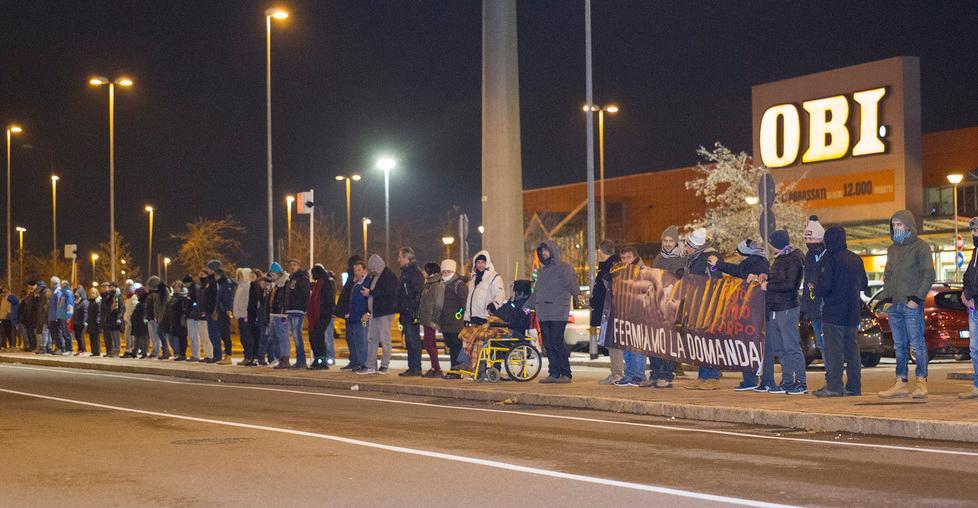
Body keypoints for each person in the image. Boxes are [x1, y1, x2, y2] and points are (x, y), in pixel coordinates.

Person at [877, 210, 935, 399]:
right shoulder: (892, 249)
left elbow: (928, 274)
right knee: (899, 345)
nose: (896, 228)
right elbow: (888, 276)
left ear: (908, 226)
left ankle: (921, 381)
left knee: (916, 344)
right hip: (895, 305)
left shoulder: (921, 247)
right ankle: (901, 382)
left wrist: (916, 299)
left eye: (899, 225)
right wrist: (885, 299)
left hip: (911, 304)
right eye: (893, 225)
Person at [813, 226, 869, 397]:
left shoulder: (829, 259)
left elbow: (825, 286)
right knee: (852, 350)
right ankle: (854, 386)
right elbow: (864, 284)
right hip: (852, 312)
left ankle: (834, 386)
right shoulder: (855, 259)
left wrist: (815, 288)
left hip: (833, 312)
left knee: (834, 350)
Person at [709, 238, 769, 390]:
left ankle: (751, 380)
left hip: (751, 312)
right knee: (748, 343)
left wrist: (719, 264)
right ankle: (750, 379)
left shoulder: (755, 262)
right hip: (751, 311)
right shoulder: (759, 261)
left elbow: (738, 271)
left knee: (749, 343)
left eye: (739, 253)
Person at [759, 230, 807, 395]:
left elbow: (790, 285)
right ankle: (787, 381)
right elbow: (780, 279)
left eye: (771, 242)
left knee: (791, 345)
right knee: (780, 347)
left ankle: (800, 382)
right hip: (776, 307)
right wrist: (767, 278)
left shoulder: (792, 259)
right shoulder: (781, 258)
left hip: (787, 307)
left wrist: (768, 286)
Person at [525, 240, 579, 384]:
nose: (543, 253)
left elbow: (571, 284)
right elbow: (537, 292)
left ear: (553, 251)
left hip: (558, 311)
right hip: (543, 312)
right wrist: (527, 305)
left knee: (556, 342)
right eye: (541, 251)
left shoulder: (564, 268)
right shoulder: (542, 272)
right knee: (548, 344)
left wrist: (578, 294)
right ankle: (554, 373)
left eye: (546, 250)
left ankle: (566, 373)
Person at [682, 228, 725, 390]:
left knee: (710, 341)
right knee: (699, 341)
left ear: (693, 246)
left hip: (708, 305)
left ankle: (713, 376)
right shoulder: (693, 258)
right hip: (695, 304)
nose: (685, 248)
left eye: (687, 245)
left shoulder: (710, 258)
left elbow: (715, 281)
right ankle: (702, 376)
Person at [646, 225, 685, 388]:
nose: (668, 244)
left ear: (676, 242)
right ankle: (655, 373)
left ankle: (667, 374)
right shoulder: (658, 258)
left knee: (669, 342)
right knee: (653, 340)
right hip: (657, 304)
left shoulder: (683, 258)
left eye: (671, 241)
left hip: (673, 306)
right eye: (665, 241)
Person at [614, 246, 649, 387]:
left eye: (628, 257)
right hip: (624, 314)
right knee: (626, 348)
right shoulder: (620, 272)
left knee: (638, 346)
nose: (625, 260)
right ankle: (628, 374)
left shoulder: (644, 271)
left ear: (635, 257)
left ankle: (639, 375)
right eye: (623, 258)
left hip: (640, 314)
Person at [357, 254, 397, 375]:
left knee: (385, 339)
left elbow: (388, 293)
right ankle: (371, 365)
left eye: (373, 268)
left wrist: (371, 292)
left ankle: (384, 365)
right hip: (375, 312)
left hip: (384, 312)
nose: (372, 271)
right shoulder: (376, 276)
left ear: (377, 267)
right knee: (372, 339)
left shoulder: (388, 276)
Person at [591, 240, 622, 385]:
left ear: (600, 251)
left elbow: (608, 289)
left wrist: (595, 300)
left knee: (613, 342)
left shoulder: (613, 266)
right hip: (605, 309)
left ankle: (618, 373)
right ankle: (615, 372)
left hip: (611, 309)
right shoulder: (606, 266)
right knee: (609, 342)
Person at [395, 247, 426, 376]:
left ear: (407, 258)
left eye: (400, 257)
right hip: (406, 311)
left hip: (411, 312)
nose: (398, 259)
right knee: (409, 340)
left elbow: (418, 293)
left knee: (413, 340)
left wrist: (414, 310)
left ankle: (416, 367)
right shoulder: (406, 272)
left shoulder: (413, 273)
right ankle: (412, 367)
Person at [437, 259, 468, 379]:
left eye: (448, 271)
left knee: (456, 345)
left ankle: (456, 370)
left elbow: (463, 303)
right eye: (443, 271)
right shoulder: (442, 284)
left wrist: (459, 314)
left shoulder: (459, 285)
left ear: (453, 271)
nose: (445, 274)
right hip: (445, 321)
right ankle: (454, 368)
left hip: (455, 321)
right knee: (450, 344)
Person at [801, 216, 827, 355]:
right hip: (815, 307)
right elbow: (807, 283)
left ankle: (834, 375)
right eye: (806, 239)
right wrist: (805, 309)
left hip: (827, 307)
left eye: (811, 239)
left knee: (829, 345)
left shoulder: (829, 255)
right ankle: (830, 374)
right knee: (822, 345)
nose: (808, 242)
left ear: (820, 238)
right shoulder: (810, 256)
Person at [334, 255, 364, 369]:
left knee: (356, 337)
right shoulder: (351, 278)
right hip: (349, 313)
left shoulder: (358, 280)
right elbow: (345, 295)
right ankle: (354, 360)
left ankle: (358, 361)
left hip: (355, 313)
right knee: (350, 337)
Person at [960, 217, 978, 400]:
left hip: (975, 303)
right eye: (972, 231)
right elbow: (968, 275)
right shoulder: (975, 252)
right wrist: (966, 293)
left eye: (976, 231)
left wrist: (971, 293)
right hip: (974, 308)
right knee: (974, 349)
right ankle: (976, 385)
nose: (973, 234)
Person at [307, 264, 336, 370]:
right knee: (313, 337)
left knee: (318, 337)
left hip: (323, 315)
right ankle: (317, 358)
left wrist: (324, 311)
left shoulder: (326, 283)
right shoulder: (317, 284)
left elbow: (329, 299)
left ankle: (322, 360)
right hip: (316, 315)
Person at [417, 262, 444, 377]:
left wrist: (435, 320)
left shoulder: (436, 284)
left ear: (430, 271)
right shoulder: (429, 283)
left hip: (431, 319)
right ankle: (435, 367)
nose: (423, 272)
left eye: (425, 270)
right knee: (430, 343)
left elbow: (438, 303)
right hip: (427, 318)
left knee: (429, 343)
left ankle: (436, 368)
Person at [283, 259, 310, 369]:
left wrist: (305, 309)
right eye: (291, 265)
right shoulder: (291, 279)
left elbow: (306, 293)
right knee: (294, 336)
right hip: (291, 310)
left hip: (298, 310)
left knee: (297, 336)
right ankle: (299, 360)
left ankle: (301, 361)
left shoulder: (302, 278)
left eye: (294, 265)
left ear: (299, 266)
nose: (292, 267)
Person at [344, 260, 370, 372]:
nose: (357, 273)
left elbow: (369, 300)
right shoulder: (356, 284)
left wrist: (368, 313)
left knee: (362, 342)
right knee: (357, 341)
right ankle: (359, 363)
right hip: (354, 317)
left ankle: (365, 364)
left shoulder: (367, 284)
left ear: (365, 270)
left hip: (362, 318)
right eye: (355, 271)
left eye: (359, 270)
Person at [268, 262, 293, 369]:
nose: (273, 276)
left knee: (283, 337)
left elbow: (287, 298)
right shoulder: (277, 284)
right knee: (275, 337)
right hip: (275, 313)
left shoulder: (286, 282)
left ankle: (285, 358)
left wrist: (284, 312)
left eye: (274, 274)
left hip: (281, 314)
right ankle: (279, 358)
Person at [233, 268, 256, 365]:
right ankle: (246, 356)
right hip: (240, 316)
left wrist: (245, 313)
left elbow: (247, 301)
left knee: (247, 337)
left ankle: (249, 356)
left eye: (242, 275)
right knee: (243, 337)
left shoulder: (247, 286)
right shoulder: (240, 286)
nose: (240, 277)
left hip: (245, 315)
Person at [145, 276, 171, 359]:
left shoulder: (165, 291)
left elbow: (165, 305)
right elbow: (155, 306)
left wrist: (163, 316)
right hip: (158, 316)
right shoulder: (157, 293)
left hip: (164, 316)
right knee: (160, 333)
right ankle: (166, 351)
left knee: (161, 333)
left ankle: (166, 351)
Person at [166, 281, 192, 361]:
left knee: (182, 337)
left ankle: (182, 354)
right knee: (179, 337)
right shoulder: (174, 297)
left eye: (177, 287)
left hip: (181, 320)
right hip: (175, 320)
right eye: (174, 287)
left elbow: (185, 308)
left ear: (181, 288)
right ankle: (179, 354)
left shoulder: (184, 297)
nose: (175, 289)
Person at [131, 287, 150, 358]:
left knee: (143, 338)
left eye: (137, 294)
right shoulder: (141, 302)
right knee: (138, 338)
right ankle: (136, 352)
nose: (137, 296)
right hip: (138, 323)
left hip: (141, 323)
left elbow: (144, 313)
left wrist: (144, 320)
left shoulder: (143, 303)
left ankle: (144, 352)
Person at [71, 287, 89, 356]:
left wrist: (85, 321)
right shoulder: (78, 302)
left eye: (78, 294)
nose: (76, 296)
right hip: (76, 322)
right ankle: (79, 349)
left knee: (80, 337)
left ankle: (82, 350)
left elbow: (85, 312)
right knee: (77, 336)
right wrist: (76, 303)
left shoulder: (84, 302)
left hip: (81, 322)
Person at [86, 287, 101, 357]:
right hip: (91, 322)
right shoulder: (90, 301)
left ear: (96, 293)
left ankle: (97, 351)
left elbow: (98, 312)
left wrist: (97, 321)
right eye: (91, 293)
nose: (92, 294)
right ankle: (93, 351)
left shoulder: (97, 301)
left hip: (95, 322)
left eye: (93, 293)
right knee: (91, 337)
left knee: (96, 337)